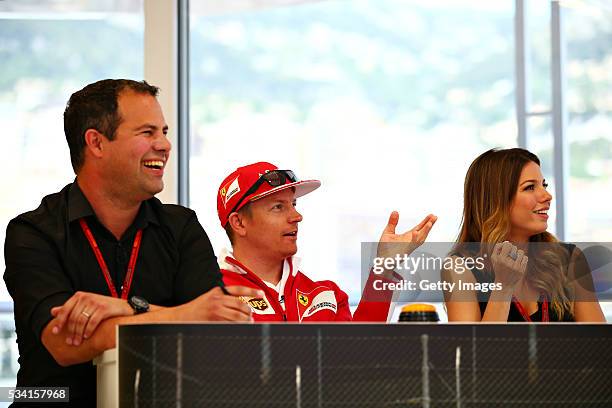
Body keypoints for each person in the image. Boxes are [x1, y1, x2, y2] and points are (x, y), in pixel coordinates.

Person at [3, 79, 260, 406]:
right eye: (147, 132)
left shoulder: (181, 227)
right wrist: (183, 315)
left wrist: (127, 309)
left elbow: (215, 334)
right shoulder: (33, 232)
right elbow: (64, 344)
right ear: (96, 142)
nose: (165, 145)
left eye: (164, 131)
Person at [216, 162, 438, 322]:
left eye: (293, 204)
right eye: (278, 207)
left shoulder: (326, 295)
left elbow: (360, 357)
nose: (296, 216)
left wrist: (385, 267)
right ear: (239, 223)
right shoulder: (210, 293)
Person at [443, 148, 605, 322]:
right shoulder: (459, 267)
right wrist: (503, 287)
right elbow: (473, 349)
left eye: (544, 185)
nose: (547, 195)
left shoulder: (570, 259)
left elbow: (598, 345)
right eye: (529, 187)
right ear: (497, 199)